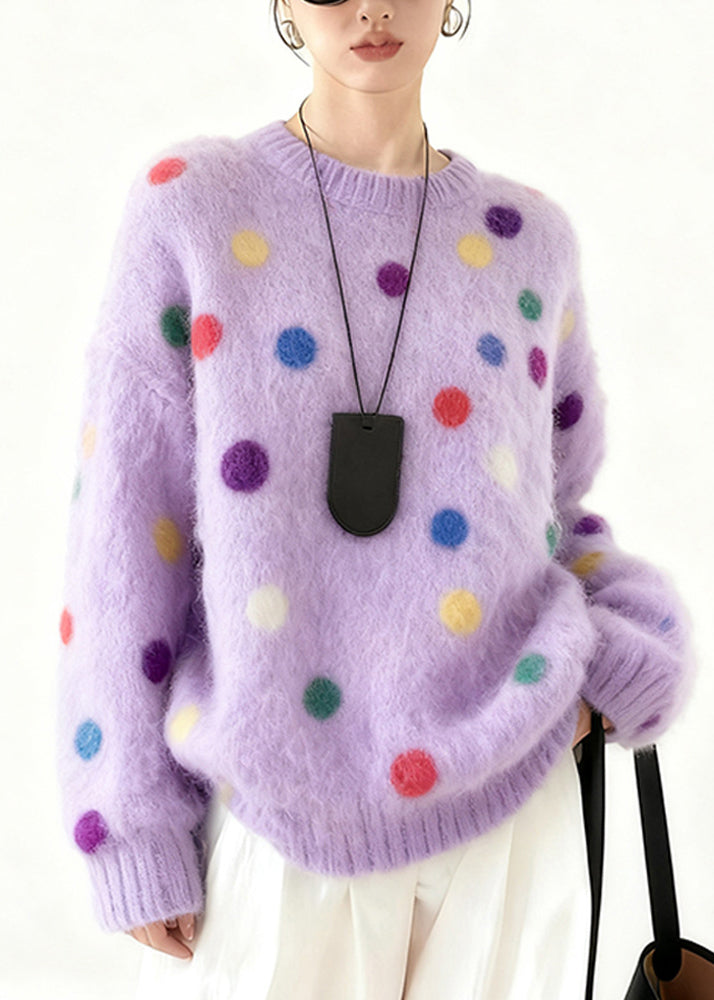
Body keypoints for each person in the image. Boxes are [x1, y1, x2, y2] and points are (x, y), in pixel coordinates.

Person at [55, 1, 696, 997]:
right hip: (279, 822)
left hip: (510, 816)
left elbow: (553, 515)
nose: (369, 8)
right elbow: (126, 537)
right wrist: (127, 822)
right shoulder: (192, 208)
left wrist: (620, 661)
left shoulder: (528, 241)